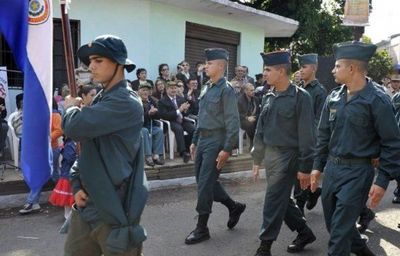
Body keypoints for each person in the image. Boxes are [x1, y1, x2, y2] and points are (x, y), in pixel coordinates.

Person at [310, 41, 400, 256]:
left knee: (338, 237)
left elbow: (392, 143)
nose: (333, 70)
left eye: (337, 66)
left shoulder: (377, 99)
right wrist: (316, 166)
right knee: (337, 227)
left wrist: (382, 181)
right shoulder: (333, 97)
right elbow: (323, 135)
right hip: (332, 170)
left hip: (358, 172)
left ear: (352, 68)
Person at [62, 35, 148, 256]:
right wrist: (77, 184)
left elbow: (75, 128)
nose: (91, 66)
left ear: (119, 63)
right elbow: (88, 152)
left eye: (99, 60)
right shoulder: (102, 99)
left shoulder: (125, 102)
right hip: (88, 203)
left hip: (114, 207)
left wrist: (71, 108)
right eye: (90, 61)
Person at [252, 51, 316, 256]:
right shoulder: (269, 96)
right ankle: (304, 232)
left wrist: (306, 168)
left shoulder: (301, 97)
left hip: (289, 157)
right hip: (271, 156)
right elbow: (260, 129)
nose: (265, 74)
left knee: (272, 200)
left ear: (281, 71)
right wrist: (256, 159)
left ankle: (265, 245)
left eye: (268, 70)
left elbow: (307, 136)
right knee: (281, 199)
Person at [185, 48, 246, 245]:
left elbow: (233, 122)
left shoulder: (226, 90)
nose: (205, 66)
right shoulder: (207, 87)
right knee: (206, 181)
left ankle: (202, 227)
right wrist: (195, 140)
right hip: (203, 139)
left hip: (215, 141)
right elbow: (202, 117)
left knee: (204, 184)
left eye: (209, 63)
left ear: (220, 65)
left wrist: (227, 148)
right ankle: (233, 206)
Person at [293, 53, 327, 214]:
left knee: (302, 173)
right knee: (298, 173)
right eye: (300, 67)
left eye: (304, 66)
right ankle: (314, 192)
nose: (301, 70)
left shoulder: (319, 92)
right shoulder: (298, 89)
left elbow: (319, 120)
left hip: (309, 141)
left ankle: (299, 209)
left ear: (314, 68)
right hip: (295, 139)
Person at [158, 80, 194, 163]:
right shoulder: (162, 101)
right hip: (171, 121)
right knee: (179, 129)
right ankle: (183, 152)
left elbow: (187, 113)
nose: (173, 90)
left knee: (193, 129)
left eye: (175, 88)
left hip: (182, 119)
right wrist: (179, 110)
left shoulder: (180, 98)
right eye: (171, 88)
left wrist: (185, 110)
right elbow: (164, 115)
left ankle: (190, 149)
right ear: (167, 89)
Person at [138, 82, 165, 167]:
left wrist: (155, 112)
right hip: (139, 126)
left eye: (148, 90)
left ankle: (156, 155)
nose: (146, 92)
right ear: (139, 91)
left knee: (159, 131)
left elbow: (159, 115)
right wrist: (148, 113)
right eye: (144, 90)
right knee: (145, 131)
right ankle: (148, 156)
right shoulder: (136, 102)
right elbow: (138, 118)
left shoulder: (152, 101)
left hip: (150, 125)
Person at [237, 83, 260, 151]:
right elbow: (237, 114)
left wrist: (254, 117)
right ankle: (253, 142)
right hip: (243, 120)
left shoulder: (256, 99)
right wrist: (247, 118)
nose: (254, 92)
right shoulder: (240, 100)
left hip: (254, 118)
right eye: (251, 90)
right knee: (249, 124)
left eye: (254, 90)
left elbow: (259, 112)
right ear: (245, 91)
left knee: (263, 121)